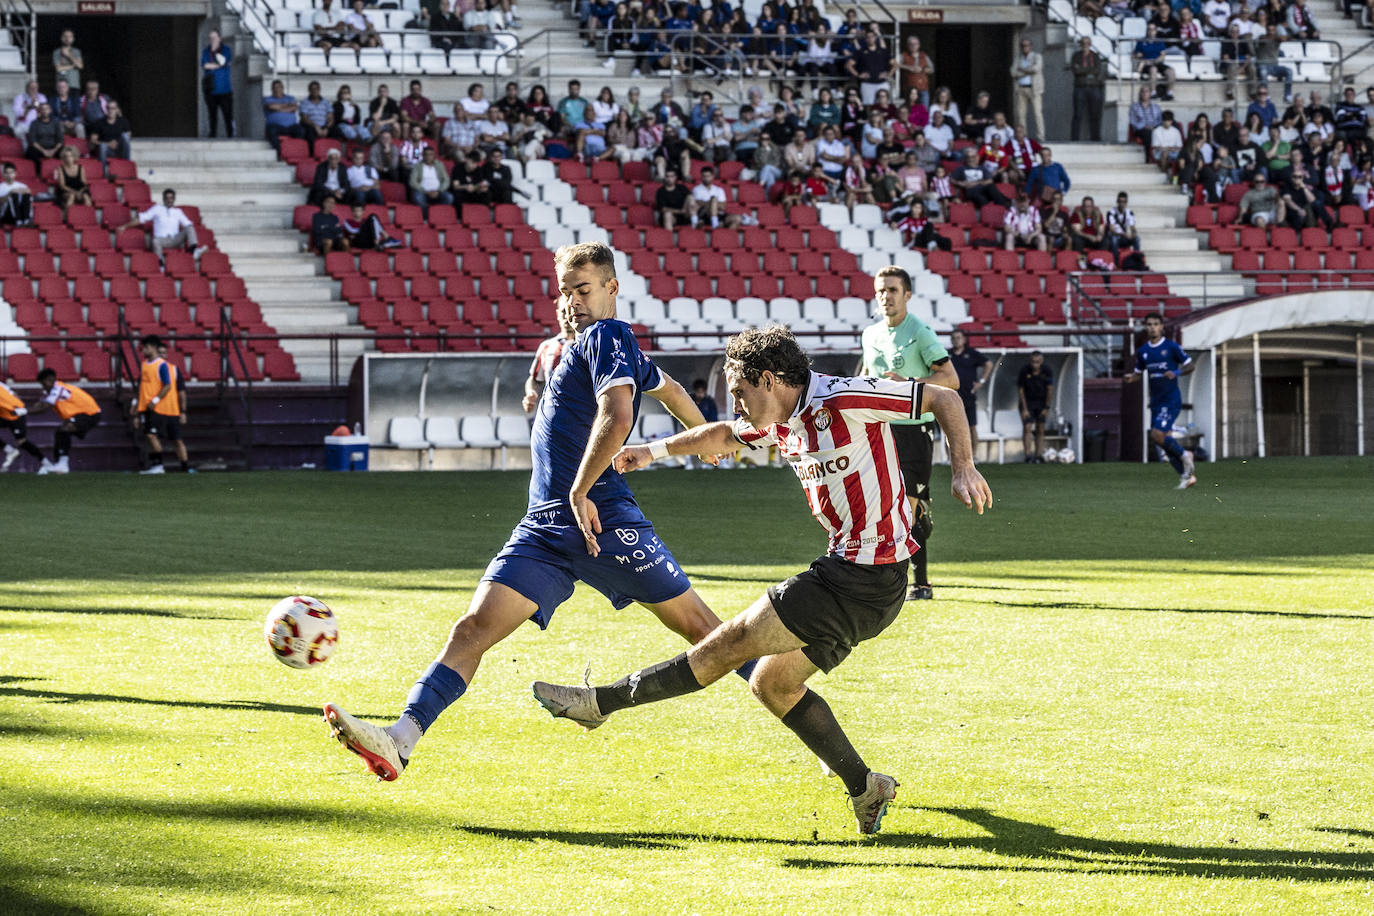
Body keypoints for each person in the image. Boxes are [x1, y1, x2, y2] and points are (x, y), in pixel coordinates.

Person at [531, 324, 992, 836]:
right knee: (772, 683)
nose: (737, 403)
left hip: (863, 576)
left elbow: (944, 396)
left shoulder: (842, 400)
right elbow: (725, 434)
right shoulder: (781, 418)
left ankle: (600, 704)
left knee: (727, 644)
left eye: (740, 392)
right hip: (861, 581)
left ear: (769, 380)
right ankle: (866, 786)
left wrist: (963, 467)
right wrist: (651, 452)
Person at [322, 241, 743, 783]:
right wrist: (701, 439)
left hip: (602, 520)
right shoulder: (593, 347)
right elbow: (669, 388)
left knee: (707, 631)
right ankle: (400, 740)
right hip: (546, 529)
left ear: (612, 289)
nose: (570, 301)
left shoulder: (610, 334)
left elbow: (618, 419)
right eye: (563, 292)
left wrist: (589, 484)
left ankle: (798, 704)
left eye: (583, 289)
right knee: (472, 629)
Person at [860, 266, 959, 601]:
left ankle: (917, 584)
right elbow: (865, 375)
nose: (885, 296)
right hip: (877, 433)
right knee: (883, 509)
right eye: (880, 291)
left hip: (913, 434)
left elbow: (950, 378)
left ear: (907, 295)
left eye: (892, 290)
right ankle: (905, 580)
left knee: (903, 510)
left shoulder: (920, 331)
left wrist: (908, 388)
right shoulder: (870, 334)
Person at [1124, 312, 1196, 489]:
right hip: (1156, 401)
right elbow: (1138, 374)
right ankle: (1186, 477)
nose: (1152, 327)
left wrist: (1176, 372)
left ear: (1162, 327)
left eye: (1156, 324)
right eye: (1149, 324)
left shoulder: (1171, 347)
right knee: (1161, 441)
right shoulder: (1143, 351)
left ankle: (1185, 454)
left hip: (1171, 399)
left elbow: (1190, 365)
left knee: (1157, 435)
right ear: (1146, 327)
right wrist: (1131, 378)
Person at [23, 370, 100, 475]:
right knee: (60, 432)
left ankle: (63, 465)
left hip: (90, 413)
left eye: (44, 384)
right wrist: (24, 409)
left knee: (64, 430)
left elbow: (45, 406)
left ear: (50, 379)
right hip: (80, 415)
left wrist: (24, 411)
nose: (43, 387)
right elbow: (41, 403)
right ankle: (59, 464)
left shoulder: (58, 388)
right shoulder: (52, 391)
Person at [132, 335, 187, 474]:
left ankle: (177, 467)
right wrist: (137, 408)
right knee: (150, 435)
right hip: (149, 408)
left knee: (167, 438)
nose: (143, 350)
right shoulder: (144, 365)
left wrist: (182, 410)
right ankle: (157, 466)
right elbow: (141, 388)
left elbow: (169, 386)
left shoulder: (164, 366)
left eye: (146, 347)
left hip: (162, 408)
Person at [522, 300, 577, 413]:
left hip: (583, 415)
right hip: (553, 413)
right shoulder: (547, 346)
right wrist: (530, 394)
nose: (567, 317)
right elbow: (535, 380)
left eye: (570, 312)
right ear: (557, 314)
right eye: (563, 312)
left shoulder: (589, 344)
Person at [122, 188, 205, 260]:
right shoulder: (157, 209)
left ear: (174, 199)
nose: (169, 200)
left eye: (171, 198)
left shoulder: (178, 212)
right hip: (161, 240)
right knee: (155, 241)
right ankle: (160, 264)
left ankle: (194, 251)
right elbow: (142, 218)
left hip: (175, 239)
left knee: (189, 227)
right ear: (163, 199)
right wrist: (125, 226)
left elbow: (188, 224)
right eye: (167, 198)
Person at [947, 328, 991, 453]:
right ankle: (950, 457)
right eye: (954, 338)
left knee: (971, 426)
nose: (956, 340)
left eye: (959, 337)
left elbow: (989, 364)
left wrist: (981, 382)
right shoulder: (947, 354)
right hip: (951, 396)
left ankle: (974, 456)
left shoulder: (972, 353)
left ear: (964, 339)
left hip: (968, 395)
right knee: (950, 427)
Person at [1017, 351, 1054, 463]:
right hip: (1027, 403)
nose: (1035, 364)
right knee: (1027, 427)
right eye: (1033, 362)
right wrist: (1024, 409)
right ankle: (1028, 455)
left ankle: (1038, 455)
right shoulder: (1024, 371)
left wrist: (1046, 407)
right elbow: (1021, 391)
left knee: (1040, 429)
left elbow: (1050, 390)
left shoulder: (1047, 371)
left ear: (1041, 362)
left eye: (1037, 362)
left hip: (1041, 403)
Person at [0, 380, 43, 472]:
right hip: (4, 414)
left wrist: (16, 405)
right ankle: (10, 450)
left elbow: (13, 394)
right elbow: (13, 393)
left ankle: (45, 462)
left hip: (15, 412)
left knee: (21, 442)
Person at [1068, 36, 1105, 142]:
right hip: (1080, 88)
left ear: (1090, 44)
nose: (1085, 45)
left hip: (1094, 88)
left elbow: (1097, 70)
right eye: (1083, 43)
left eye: (1087, 43)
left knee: (1095, 115)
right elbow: (1075, 70)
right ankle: (1074, 139)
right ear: (1080, 44)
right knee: (1077, 115)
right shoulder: (1076, 56)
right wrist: (1089, 70)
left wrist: (1082, 69)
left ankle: (1095, 138)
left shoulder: (1095, 56)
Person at [201, 29, 234, 138]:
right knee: (212, 115)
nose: (212, 40)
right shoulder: (206, 51)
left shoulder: (226, 49)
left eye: (214, 37)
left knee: (228, 115)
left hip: (225, 90)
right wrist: (219, 65)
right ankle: (212, 135)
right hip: (210, 89)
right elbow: (205, 65)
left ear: (219, 38)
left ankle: (230, 135)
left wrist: (215, 62)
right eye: (210, 38)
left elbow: (224, 61)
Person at [1011, 37, 1044, 138]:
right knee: (1021, 115)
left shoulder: (1036, 56)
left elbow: (1036, 68)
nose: (1024, 48)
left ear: (1030, 46)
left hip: (1034, 89)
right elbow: (1013, 72)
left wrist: (1022, 70)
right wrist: (1027, 72)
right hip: (1021, 88)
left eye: (1026, 45)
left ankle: (1041, 136)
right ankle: (1023, 136)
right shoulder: (1018, 57)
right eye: (1022, 46)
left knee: (1037, 113)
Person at [408, 145, 452, 217]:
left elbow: (446, 180)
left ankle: (437, 215)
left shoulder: (439, 165)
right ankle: (426, 217)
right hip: (423, 192)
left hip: (438, 192)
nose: (428, 157)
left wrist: (439, 191)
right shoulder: (417, 166)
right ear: (423, 155)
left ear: (434, 156)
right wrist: (426, 191)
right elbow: (412, 182)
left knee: (449, 197)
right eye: (426, 154)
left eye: (430, 154)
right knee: (417, 197)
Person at [262, 79, 304, 152]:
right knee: (271, 130)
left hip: (291, 126)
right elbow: (271, 107)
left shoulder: (290, 98)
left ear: (282, 88)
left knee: (301, 130)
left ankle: (293, 150)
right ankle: (279, 152)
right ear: (272, 89)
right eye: (275, 87)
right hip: (275, 126)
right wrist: (287, 106)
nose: (277, 89)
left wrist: (278, 108)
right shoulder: (267, 99)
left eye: (279, 87)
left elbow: (294, 107)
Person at [90, 101, 132, 171]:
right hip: (107, 150)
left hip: (119, 149)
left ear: (117, 110)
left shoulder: (123, 121)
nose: (110, 110)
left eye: (113, 108)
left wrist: (117, 142)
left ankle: (126, 166)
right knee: (103, 146)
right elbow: (93, 140)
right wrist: (108, 144)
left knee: (125, 136)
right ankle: (102, 173)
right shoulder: (100, 122)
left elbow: (129, 135)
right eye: (108, 108)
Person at [23, 103, 63, 174]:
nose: (44, 111)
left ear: (50, 110)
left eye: (46, 109)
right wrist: (43, 151)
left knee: (66, 152)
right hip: (39, 149)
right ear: (39, 111)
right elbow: (32, 140)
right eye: (42, 109)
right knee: (31, 151)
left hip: (53, 148)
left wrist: (53, 151)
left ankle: (62, 173)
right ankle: (38, 174)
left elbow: (60, 139)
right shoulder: (34, 123)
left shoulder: (55, 123)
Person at [52, 145, 91, 212]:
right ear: (63, 158)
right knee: (71, 196)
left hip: (79, 189)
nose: (68, 158)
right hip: (66, 190)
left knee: (86, 197)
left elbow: (84, 182)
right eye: (66, 156)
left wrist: (80, 191)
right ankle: (69, 217)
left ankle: (87, 216)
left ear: (74, 157)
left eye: (71, 156)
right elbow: (62, 185)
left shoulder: (80, 168)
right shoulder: (60, 169)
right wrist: (74, 192)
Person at [1105, 191, 1139, 255]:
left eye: (1124, 202)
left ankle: (1137, 259)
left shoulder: (1129, 212)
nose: (1122, 204)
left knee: (1136, 238)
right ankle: (1116, 262)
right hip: (1115, 236)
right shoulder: (1111, 212)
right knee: (1114, 240)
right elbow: (1111, 229)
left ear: (1126, 202)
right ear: (1117, 201)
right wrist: (1123, 234)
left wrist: (1133, 233)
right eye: (1120, 201)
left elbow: (1132, 227)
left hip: (1124, 237)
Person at [0, 161, 32, 225]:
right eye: (7, 173)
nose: (9, 175)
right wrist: (10, 193)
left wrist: (21, 191)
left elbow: (28, 192)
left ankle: (26, 219)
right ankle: (18, 220)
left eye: (12, 172)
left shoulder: (22, 185)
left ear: (15, 173)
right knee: (13, 195)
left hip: (21, 211)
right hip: (6, 214)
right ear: (3, 174)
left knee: (27, 194)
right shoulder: (1, 186)